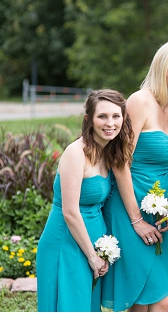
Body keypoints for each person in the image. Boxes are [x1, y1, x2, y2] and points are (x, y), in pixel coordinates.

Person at [101, 40, 168, 312]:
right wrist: (137, 220)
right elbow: (119, 162)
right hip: (130, 208)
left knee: (152, 302)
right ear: (159, 68)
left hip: (162, 213)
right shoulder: (140, 101)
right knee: (149, 301)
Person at [37, 89, 133, 311]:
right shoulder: (75, 153)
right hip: (67, 240)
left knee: (86, 305)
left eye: (116, 116)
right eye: (102, 116)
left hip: (92, 239)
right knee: (70, 305)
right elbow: (70, 211)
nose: (110, 123)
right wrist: (92, 256)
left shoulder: (108, 151)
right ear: (89, 120)